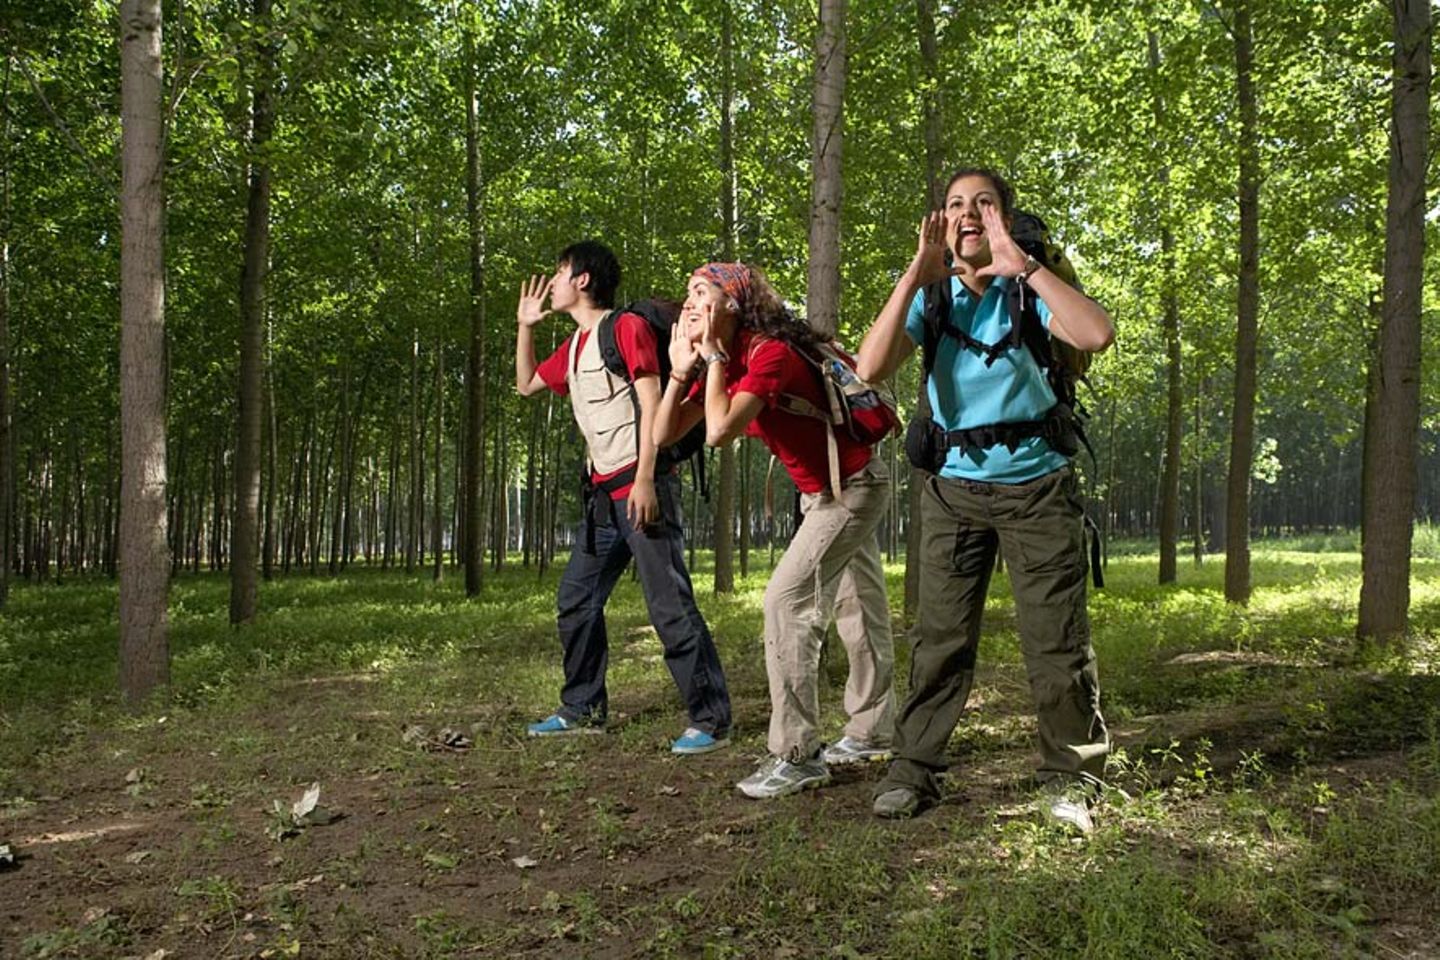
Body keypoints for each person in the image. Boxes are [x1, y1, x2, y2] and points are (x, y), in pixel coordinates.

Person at [855, 168, 1114, 830]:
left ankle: (1075, 777)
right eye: (955, 205)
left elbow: (1094, 335)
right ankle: (913, 770)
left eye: (985, 204)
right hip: (953, 492)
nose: (968, 214)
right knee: (939, 639)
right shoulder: (932, 295)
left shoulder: (1029, 289)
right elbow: (869, 367)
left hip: (1039, 488)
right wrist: (917, 271)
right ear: (939, 221)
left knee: (1055, 641)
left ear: (1004, 216)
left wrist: (1021, 265)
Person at [654, 261, 896, 799]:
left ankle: (797, 753)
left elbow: (718, 431)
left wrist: (711, 357)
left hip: (852, 488)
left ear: (733, 306)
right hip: (829, 490)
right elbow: (664, 434)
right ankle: (875, 729)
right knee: (859, 609)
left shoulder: (767, 354)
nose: (689, 304)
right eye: (688, 294)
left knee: (786, 604)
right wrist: (678, 372)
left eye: (702, 293)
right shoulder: (734, 359)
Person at [514, 240, 732, 755]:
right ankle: (582, 708)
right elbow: (526, 385)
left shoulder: (624, 328)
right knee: (576, 600)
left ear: (583, 279)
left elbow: (651, 400)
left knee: (668, 604)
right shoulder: (573, 348)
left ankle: (710, 719)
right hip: (601, 501)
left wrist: (646, 480)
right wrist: (526, 325)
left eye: (560, 270)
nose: (554, 280)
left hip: (640, 486)